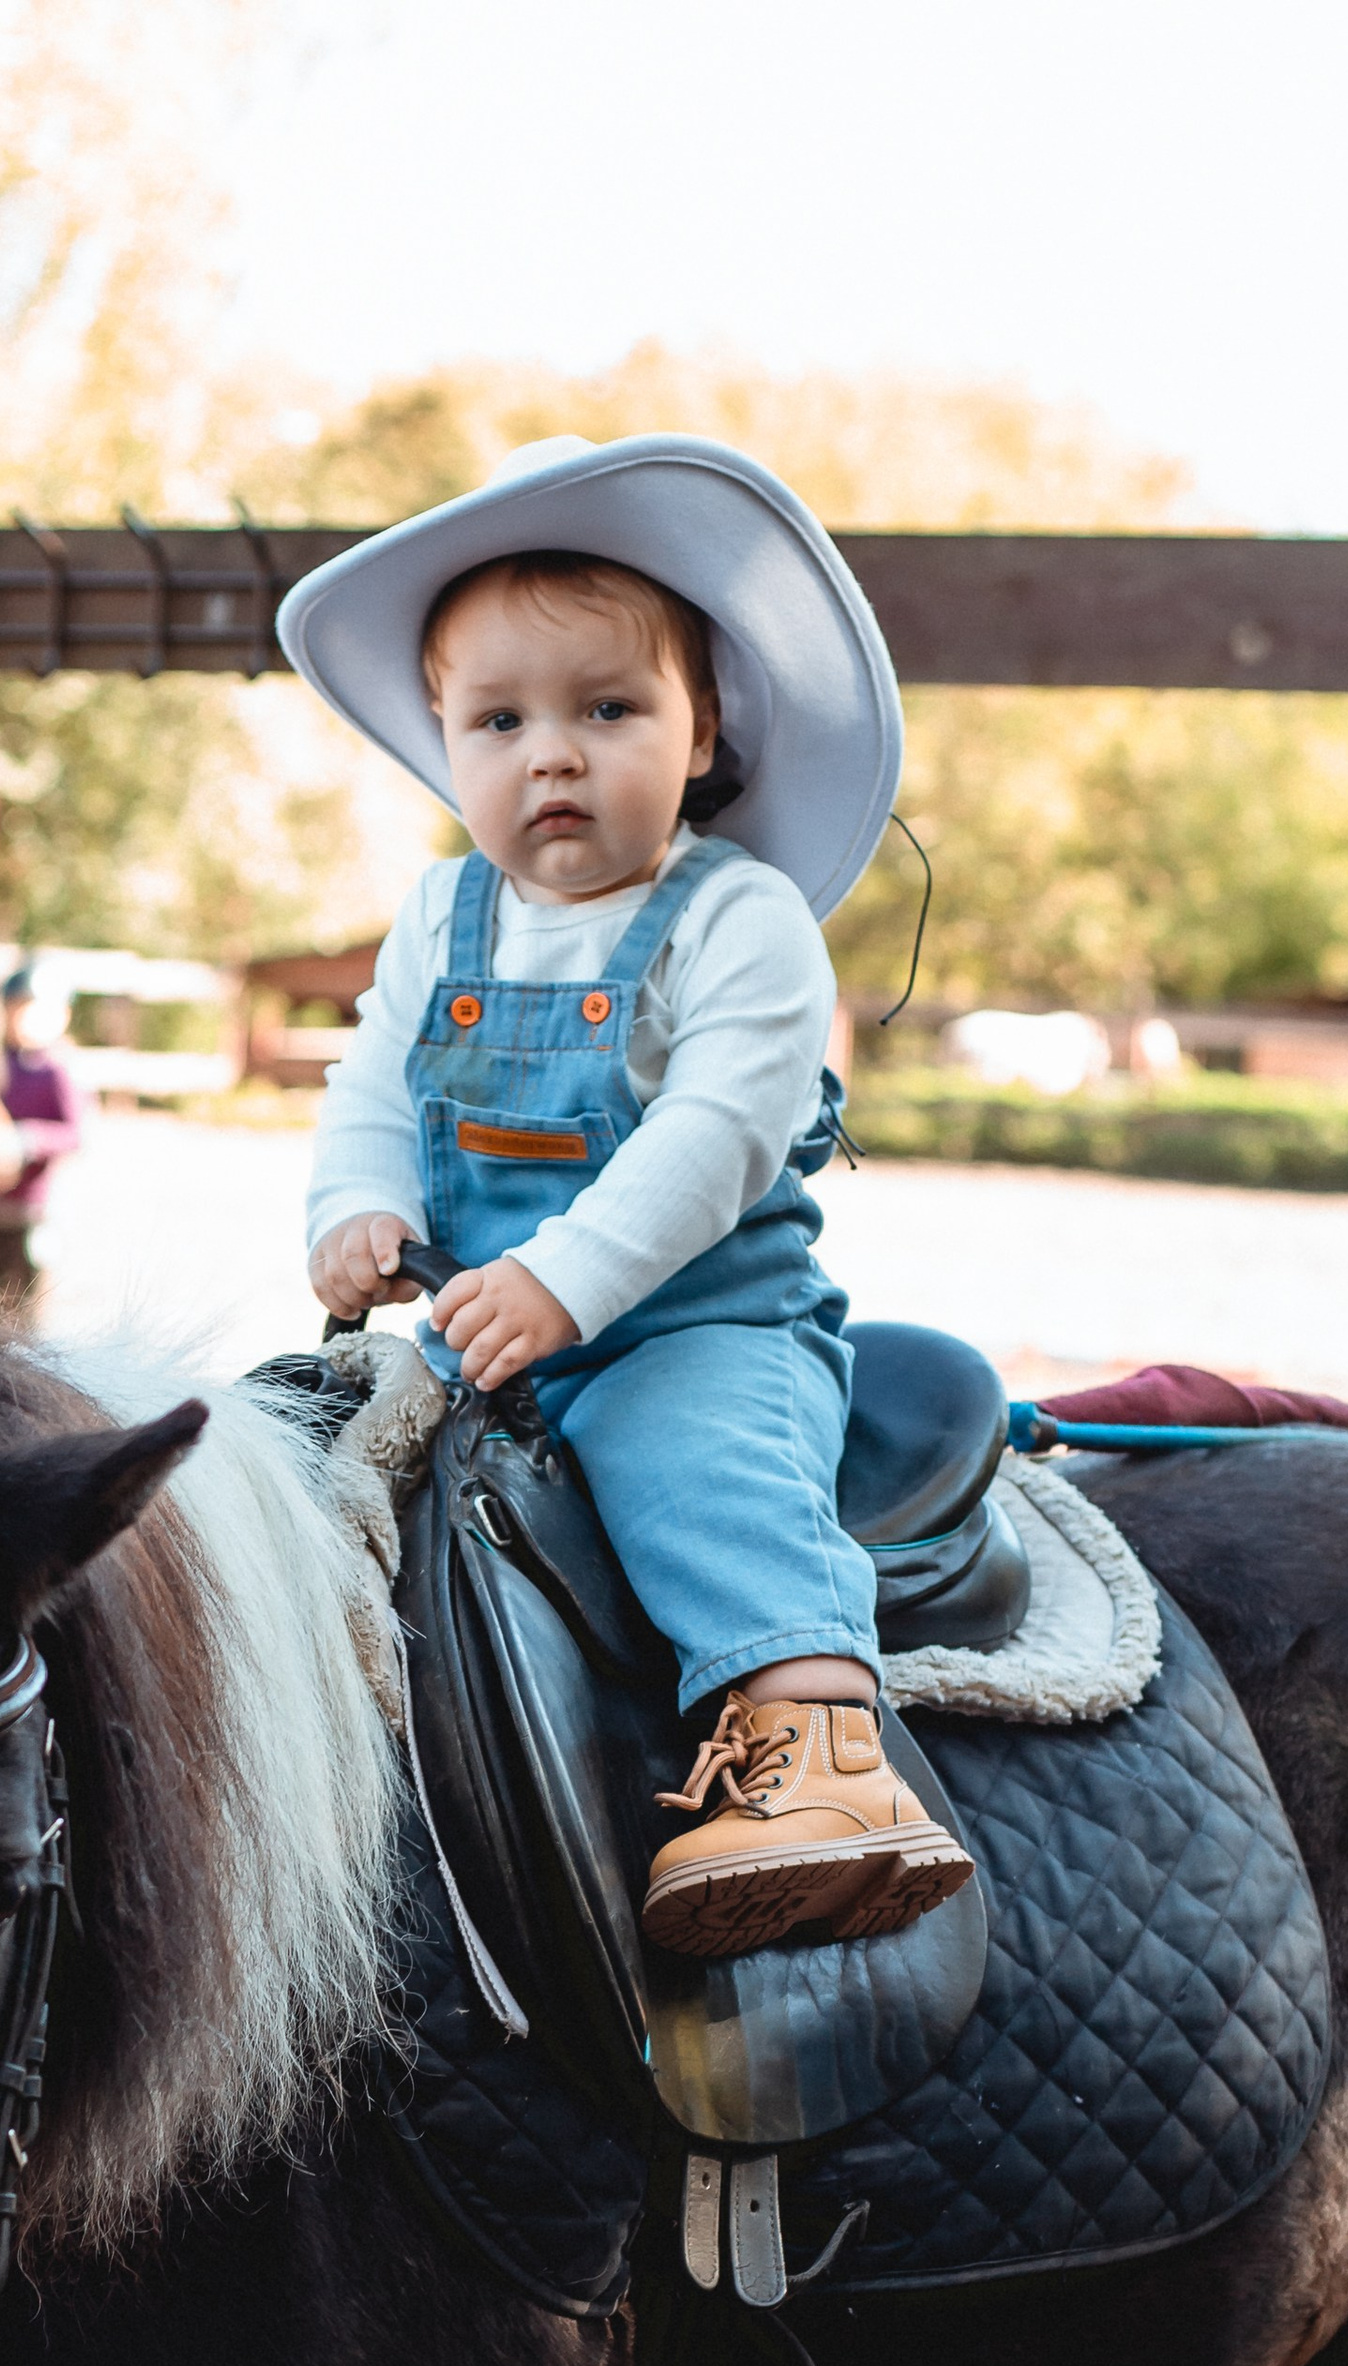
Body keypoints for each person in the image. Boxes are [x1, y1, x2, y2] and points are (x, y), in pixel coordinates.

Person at [276, 434, 971, 1962]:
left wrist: (566, 1283)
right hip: (476, 1331)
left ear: (703, 725)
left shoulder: (742, 919)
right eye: (500, 720)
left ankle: (816, 1750)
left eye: (608, 709)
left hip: (686, 1328)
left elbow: (715, 1135)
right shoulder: (437, 917)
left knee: (695, 1468)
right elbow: (373, 1089)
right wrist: (358, 1209)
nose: (554, 757)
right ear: (446, 745)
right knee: (290, 1460)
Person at [0, 963, 82, 1322]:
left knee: (28, 1299)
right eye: (18, 1011)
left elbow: (76, 1134)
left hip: (38, 1206)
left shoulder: (57, 1070)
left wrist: (29, 1138)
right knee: (1, 1294)